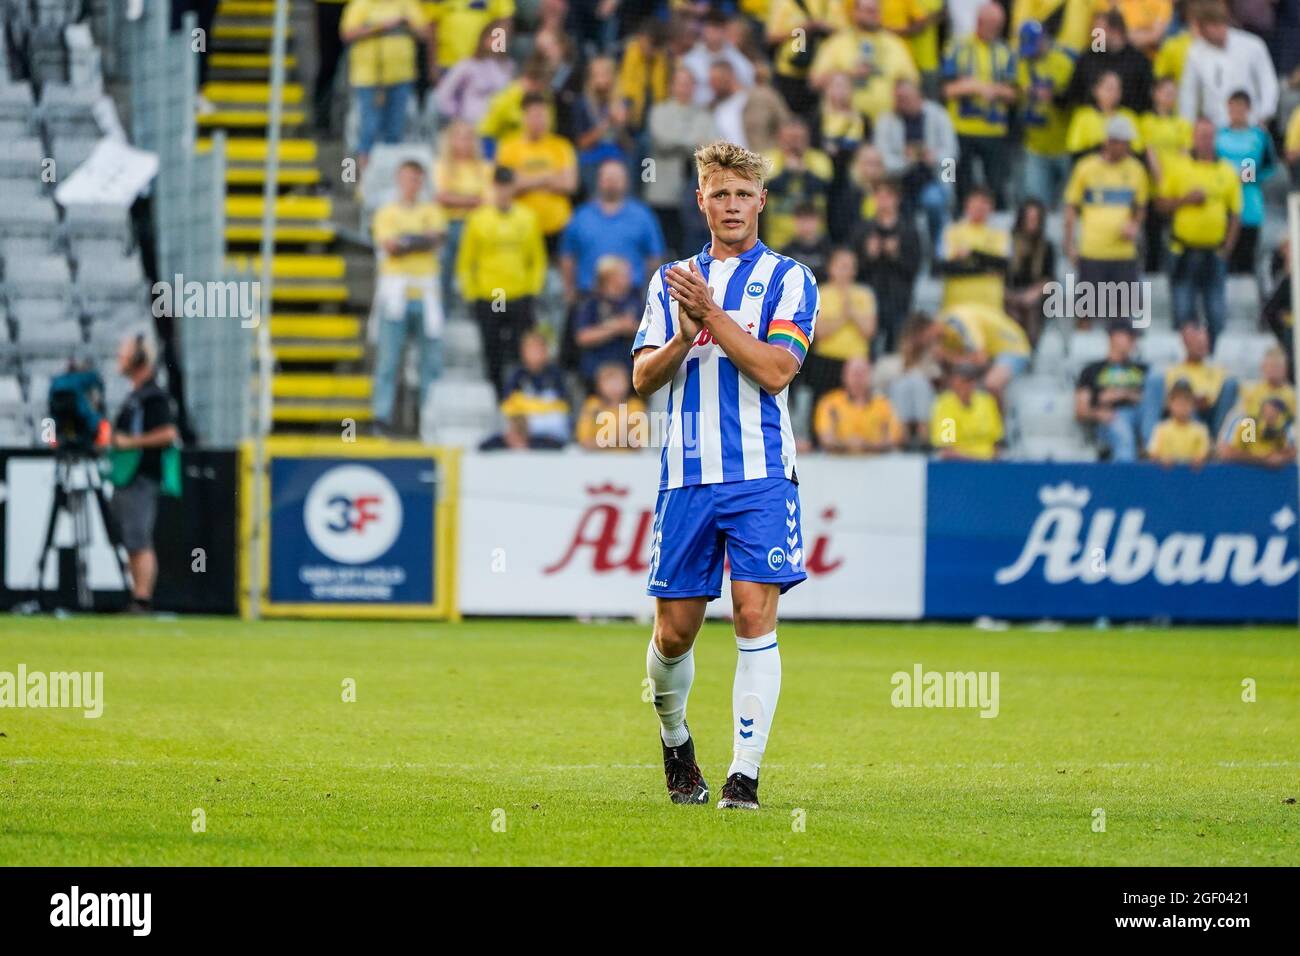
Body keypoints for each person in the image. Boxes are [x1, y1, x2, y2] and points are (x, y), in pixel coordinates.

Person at [630, 141, 820, 811]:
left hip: (763, 474)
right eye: (720, 193)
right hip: (687, 476)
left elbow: (774, 371)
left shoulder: (793, 279)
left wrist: (710, 315)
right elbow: (641, 378)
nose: (733, 205)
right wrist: (683, 336)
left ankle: (744, 777)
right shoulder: (670, 280)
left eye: (744, 194)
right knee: (674, 632)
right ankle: (677, 741)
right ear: (701, 200)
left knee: (751, 612)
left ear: (761, 201)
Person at [457, 166, 548, 394]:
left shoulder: (527, 217)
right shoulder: (478, 219)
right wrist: (472, 294)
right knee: (492, 349)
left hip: (519, 294)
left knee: (523, 349)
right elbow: (466, 261)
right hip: (489, 294)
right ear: (493, 187)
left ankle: (521, 394)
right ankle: (497, 396)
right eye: (499, 186)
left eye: (508, 186)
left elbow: (537, 259)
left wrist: (532, 290)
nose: (503, 192)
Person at [369, 161, 445, 433]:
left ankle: (429, 419)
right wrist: (417, 242)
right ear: (398, 180)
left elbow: (435, 240)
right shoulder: (387, 213)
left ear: (422, 182)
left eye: (416, 179)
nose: (411, 184)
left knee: (431, 362)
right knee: (389, 360)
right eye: (406, 178)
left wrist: (406, 242)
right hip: (396, 293)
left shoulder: (431, 211)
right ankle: (381, 417)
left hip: (426, 292)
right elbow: (390, 247)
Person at [109, 333, 179, 614]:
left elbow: (168, 433)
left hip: (141, 476)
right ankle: (137, 596)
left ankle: (142, 599)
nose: (119, 358)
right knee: (131, 540)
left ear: (138, 359)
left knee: (139, 539)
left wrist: (130, 443)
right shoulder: (135, 396)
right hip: (127, 476)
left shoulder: (153, 397)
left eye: (124, 353)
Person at [1157, 117, 1241, 346]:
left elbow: (1235, 214)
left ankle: (1213, 358)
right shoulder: (1178, 167)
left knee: (1216, 311)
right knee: (1183, 310)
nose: (1205, 140)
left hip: (1214, 251)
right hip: (1183, 249)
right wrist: (1185, 200)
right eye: (1201, 135)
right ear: (1193, 137)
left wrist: (1228, 247)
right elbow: (1160, 204)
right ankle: (1185, 364)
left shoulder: (1228, 170)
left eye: (1209, 135)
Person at [1062, 115, 1149, 326]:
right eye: (1122, 143)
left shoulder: (1136, 169)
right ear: (1109, 141)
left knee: (1123, 312)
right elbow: (1071, 208)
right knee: (1085, 312)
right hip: (1092, 251)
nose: (1127, 148)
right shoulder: (1086, 168)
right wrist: (1069, 244)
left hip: (1123, 252)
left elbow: (1141, 206)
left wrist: (1135, 225)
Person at [941, 2, 1018, 209]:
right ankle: (957, 223)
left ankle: (994, 231)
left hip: (994, 130)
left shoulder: (1006, 51)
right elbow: (946, 90)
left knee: (996, 186)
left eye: (998, 26)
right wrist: (973, 87)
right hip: (961, 128)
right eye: (991, 25)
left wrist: (995, 91)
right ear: (978, 22)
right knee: (956, 181)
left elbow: (1014, 94)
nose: (994, 30)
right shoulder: (957, 46)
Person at [559, 158, 666, 306]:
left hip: (631, 298)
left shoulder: (643, 216)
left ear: (627, 181)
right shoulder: (580, 216)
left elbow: (654, 257)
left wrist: (649, 292)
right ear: (598, 180)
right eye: (608, 178)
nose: (612, 183)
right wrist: (569, 291)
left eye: (617, 178)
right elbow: (568, 257)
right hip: (588, 297)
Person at [340, 0, 430, 174]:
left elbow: (425, 33)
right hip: (368, 78)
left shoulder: (407, 4)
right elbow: (347, 33)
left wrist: (408, 23)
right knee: (368, 129)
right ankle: (362, 178)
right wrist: (381, 26)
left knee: (396, 130)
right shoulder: (361, 5)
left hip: (402, 76)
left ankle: (389, 176)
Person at [872, 77, 958, 246]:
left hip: (932, 178)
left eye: (907, 98)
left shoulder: (939, 115)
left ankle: (937, 250)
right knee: (895, 207)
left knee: (934, 202)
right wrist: (906, 160)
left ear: (919, 95)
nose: (902, 102)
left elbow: (952, 154)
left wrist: (935, 158)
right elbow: (882, 159)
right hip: (897, 182)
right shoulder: (886, 121)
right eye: (899, 98)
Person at [646, 67, 719, 257]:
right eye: (680, 83)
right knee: (664, 245)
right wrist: (694, 143)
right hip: (664, 190)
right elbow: (661, 139)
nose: (684, 88)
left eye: (689, 83)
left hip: (694, 193)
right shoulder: (659, 111)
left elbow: (712, 145)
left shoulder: (704, 115)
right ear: (672, 86)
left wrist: (680, 141)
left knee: (690, 245)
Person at [495, 92, 579, 248]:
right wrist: (547, 177)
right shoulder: (508, 147)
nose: (539, 121)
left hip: (557, 227)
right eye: (535, 115)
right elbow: (507, 186)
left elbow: (569, 184)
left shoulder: (561, 146)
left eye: (543, 115)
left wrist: (525, 179)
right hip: (520, 227)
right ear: (524, 117)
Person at [1178, 0, 1278, 128]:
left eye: (1218, 24)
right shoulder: (1195, 53)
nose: (1216, 30)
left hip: (1251, 126)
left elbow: (1268, 83)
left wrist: (1265, 115)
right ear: (1201, 28)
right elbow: (1188, 97)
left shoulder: (1253, 45)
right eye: (1209, 26)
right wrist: (1188, 130)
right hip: (1215, 131)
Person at [1138, 322, 1239, 442]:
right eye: (1196, 341)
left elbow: (1210, 400)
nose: (1201, 344)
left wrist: (1196, 399)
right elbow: (1171, 402)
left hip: (1211, 416)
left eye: (1204, 341)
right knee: (1182, 393)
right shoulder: (1173, 371)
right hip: (1183, 416)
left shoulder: (1217, 371)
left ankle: (1218, 442)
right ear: (1185, 342)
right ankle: (1151, 442)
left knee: (1230, 384)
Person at [1215, 90, 1276, 275]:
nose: (1237, 111)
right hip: (1222, 209)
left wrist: (1249, 177)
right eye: (1233, 106)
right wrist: (1230, 180)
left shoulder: (1259, 137)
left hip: (1249, 208)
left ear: (1248, 109)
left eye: (1241, 106)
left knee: (1245, 263)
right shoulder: (1218, 137)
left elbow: (1269, 166)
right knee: (1221, 260)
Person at [803, 246, 876, 403]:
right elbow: (820, 332)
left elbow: (869, 331)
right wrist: (844, 316)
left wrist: (853, 313)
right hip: (826, 360)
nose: (846, 271)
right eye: (842, 266)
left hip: (856, 361)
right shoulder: (820, 293)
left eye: (850, 267)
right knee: (822, 407)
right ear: (831, 268)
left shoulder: (864, 294)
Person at [855, 179, 920, 352]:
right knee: (867, 350)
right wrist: (869, 256)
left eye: (887, 196)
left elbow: (914, 268)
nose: (883, 201)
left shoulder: (908, 230)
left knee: (896, 350)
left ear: (896, 199)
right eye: (879, 196)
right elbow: (853, 269)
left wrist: (895, 255)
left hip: (898, 300)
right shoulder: (863, 229)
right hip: (869, 298)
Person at [433, 120, 492, 309]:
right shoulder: (441, 166)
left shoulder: (486, 167)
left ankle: (478, 311)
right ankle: (444, 312)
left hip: (478, 226)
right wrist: (472, 200)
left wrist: (456, 199)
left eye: (468, 137)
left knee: (479, 272)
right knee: (444, 271)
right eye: (459, 136)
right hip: (449, 225)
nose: (464, 141)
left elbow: (488, 201)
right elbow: (440, 197)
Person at [1017, 19, 1076, 207]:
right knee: (1036, 205)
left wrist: (1056, 95)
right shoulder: (1021, 61)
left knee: (1069, 203)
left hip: (1065, 145)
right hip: (1035, 146)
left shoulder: (1065, 60)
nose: (1031, 53)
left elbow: (1077, 95)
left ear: (1044, 40)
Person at [1074, 320, 1147, 461]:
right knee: (1121, 431)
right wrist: (1097, 413)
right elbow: (1081, 410)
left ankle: (1151, 443)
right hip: (1112, 418)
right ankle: (1125, 478)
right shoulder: (1092, 370)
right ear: (1114, 337)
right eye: (1130, 337)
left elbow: (1155, 402)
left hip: (1142, 417)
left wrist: (1120, 394)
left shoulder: (1144, 369)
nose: (1134, 342)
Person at [928, 302, 1031, 401]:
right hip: (992, 354)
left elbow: (981, 358)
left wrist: (951, 358)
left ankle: (999, 418)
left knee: (992, 384)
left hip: (1013, 347)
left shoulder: (959, 320)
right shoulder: (944, 328)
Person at [936, 185, 1010, 312]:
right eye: (976, 202)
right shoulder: (951, 232)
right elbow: (945, 267)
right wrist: (986, 266)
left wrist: (971, 255)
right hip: (957, 304)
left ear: (991, 207)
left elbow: (1003, 265)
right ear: (967, 204)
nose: (980, 207)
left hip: (989, 306)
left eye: (985, 203)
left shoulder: (1000, 235)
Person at [572, 255, 641, 386]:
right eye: (624, 275)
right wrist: (614, 327)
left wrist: (631, 327)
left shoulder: (635, 302)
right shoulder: (590, 304)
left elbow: (649, 331)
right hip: (594, 371)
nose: (630, 279)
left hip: (629, 371)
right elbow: (582, 337)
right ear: (609, 278)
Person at [813, 356, 902, 453]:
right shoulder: (829, 403)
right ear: (844, 376)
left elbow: (895, 439)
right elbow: (825, 439)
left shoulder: (884, 404)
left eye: (862, 373)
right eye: (855, 374)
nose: (858, 378)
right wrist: (852, 445)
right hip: (837, 463)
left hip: (877, 464)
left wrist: (865, 445)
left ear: (871, 376)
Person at [499, 330, 571, 445]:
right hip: (524, 419)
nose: (535, 354)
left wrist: (532, 404)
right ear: (523, 352)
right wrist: (537, 405)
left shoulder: (556, 374)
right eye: (531, 350)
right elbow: (508, 403)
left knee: (558, 421)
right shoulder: (517, 375)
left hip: (548, 420)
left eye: (538, 350)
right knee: (514, 423)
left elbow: (563, 404)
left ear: (546, 352)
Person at [1005, 198, 1056, 346]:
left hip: (1036, 294)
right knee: (1012, 309)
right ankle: (1013, 348)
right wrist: (1010, 295)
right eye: (1029, 218)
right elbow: (999, 274)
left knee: (1032, 308)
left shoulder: (1047, 246)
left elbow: (1049, 277)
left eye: (1036, 218)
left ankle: (1028, 349)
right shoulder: (1007, 242)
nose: (1032, 222)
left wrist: (1032, 293)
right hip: (1009, 292)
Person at [930, 362, 1004, 459]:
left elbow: (996, 441)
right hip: (958, 464)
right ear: (953, 382)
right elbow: (947, 448)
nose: (966, 386)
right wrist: (974, 459)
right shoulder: (944, 404)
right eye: (963, 381)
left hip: (988, 462)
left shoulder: (986, 401)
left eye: (970, 381)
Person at [576, 362, 649, 451]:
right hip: (597, 460)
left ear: (627, 384)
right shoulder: (592, 405)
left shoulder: (635, 406)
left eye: (618, 382)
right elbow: (585, 442)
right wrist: (619, 437)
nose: (614, 387)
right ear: (599, 385)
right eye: (608, 383)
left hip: (629, 460)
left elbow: (640, 443)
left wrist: (606, 440)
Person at [1217, 396, 1296, 468]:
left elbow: (1292, 451)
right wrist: (1263, 460)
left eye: (1276, 414)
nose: (1272, 416)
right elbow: (1226, 454)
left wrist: (1282, 458)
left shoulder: (1281, 429)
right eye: (1269, 413)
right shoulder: (1248, 427)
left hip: (1266, 477)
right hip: (1241, 474)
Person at [1147, 379, 1211, 465]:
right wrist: (1162, 459)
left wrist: (1199, 459)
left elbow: (1205, 453)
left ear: (1193, 405)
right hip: (1166, 476)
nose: (1182, 408)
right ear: (1170, 404)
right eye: (1178, 403)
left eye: (1186, 402)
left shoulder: (1200, 429)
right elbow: (1153, 453)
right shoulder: (1161, 428)